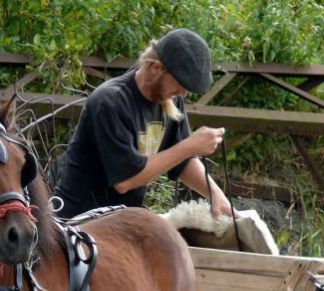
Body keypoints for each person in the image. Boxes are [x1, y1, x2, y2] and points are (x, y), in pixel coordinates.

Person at [55, 28, 236, 219]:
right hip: (78, 222)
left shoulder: (170, 98)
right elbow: (125, 180)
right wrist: (189, 147)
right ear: (156, 68)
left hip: (121, 220)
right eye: (180, 84)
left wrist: (216, 194)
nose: (183, 93)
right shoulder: (111, 102)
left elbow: (182, 162)